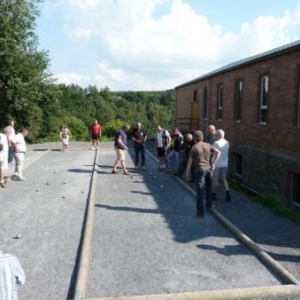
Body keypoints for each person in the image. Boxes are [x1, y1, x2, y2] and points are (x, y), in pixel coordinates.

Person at [186, 130, 220, 218]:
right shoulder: (207, 145)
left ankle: (200, 213)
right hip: (208, 169)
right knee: (208, 188)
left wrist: (187, 172)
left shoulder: (194, 147)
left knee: (200, 191)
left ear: (194, 138)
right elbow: (218, 152)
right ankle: (209, 206)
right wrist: (213, 163)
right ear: (202, 137)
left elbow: (190, 161)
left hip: (199, 170)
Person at [212, 129, 232, 202]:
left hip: (217, 163)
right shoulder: (227, 142)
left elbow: (214, 152)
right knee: (224, 178)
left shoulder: (216, 143)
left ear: (217, 135)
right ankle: (227, 192)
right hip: (225, 163)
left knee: (215, 179)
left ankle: (214, 194)